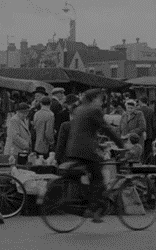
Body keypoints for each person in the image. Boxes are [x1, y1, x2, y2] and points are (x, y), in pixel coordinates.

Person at [65, 89, 125, 223]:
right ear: (94, 99)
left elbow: (86, 131)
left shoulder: (79, 109)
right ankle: (91, 209)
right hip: (86, 151)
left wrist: (98, 144)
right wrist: (121, 144)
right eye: (100, 99)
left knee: (89, 176)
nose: (101, 102)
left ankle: (94, 209)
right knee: (99, 178)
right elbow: (106, 128)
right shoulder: (94, 110)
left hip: (73, 150)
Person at [138, 97, 155, 164]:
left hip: (140, 134)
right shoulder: (151, 111)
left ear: (140, 102)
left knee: (140, 149)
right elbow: (153, 123)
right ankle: (147, 164)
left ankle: (140, 163)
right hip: (149, 133)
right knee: (148, 150)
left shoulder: (138, 110)